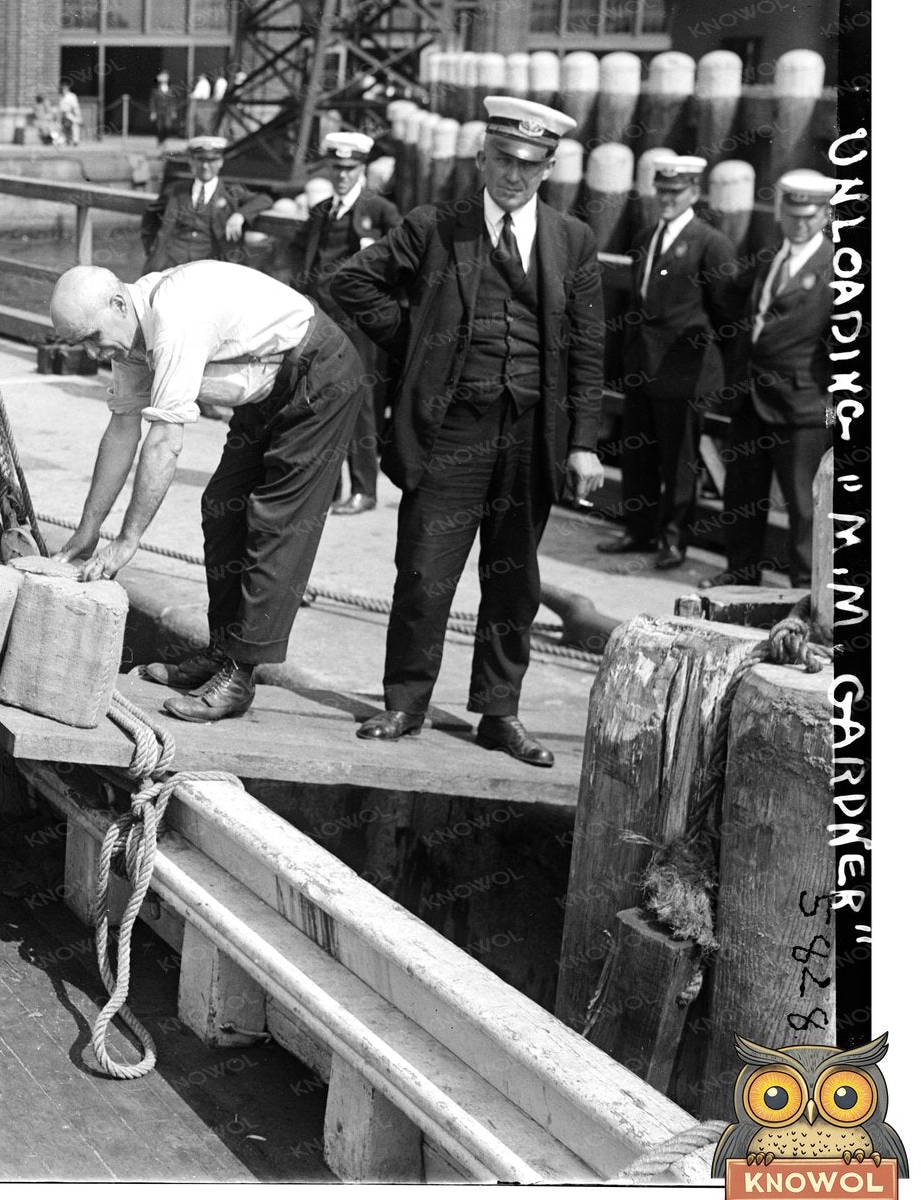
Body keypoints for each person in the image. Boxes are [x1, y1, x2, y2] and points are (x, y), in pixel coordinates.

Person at [329, 95, 606, 768]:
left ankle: (499, 712)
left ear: (548, 169)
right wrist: (416, 342)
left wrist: (584, 442)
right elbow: (350, 282)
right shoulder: (434, 226)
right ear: (484, 157)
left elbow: (589, 345)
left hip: (531, 434)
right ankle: (406, 701)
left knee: (513, 581)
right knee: (424, 573)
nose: (514, 175)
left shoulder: (572, 240)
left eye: (529, 165)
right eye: (504, 159)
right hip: (450, 431)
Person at [49, 260, 365, 723]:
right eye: (84, 344)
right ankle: (220, 653)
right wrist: (89, 529)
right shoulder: (128, 333)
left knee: (275, 521)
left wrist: (129, 540)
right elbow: (122, 430)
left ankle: (239, 675)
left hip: (317, 375)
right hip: (267, 387)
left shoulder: (176, 319)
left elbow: (164, 442)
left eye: (94, 338)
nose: (96, 354)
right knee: (222, 507)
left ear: (119, 303)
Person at [598, 155, 740, 569]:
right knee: (637, 455)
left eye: (675, 192)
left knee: (679, 462)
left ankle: (674, 540)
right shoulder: (646, 236)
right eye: (661, 190)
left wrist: (715, 370)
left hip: (685, 373)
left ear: (694, 192)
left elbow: (728, 314)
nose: (666, 199)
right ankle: (638, 530)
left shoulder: (710, 243)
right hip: (643, 366)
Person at [702, 169, 839, 591]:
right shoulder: (768, 256)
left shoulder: (839, 270)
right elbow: (736, 310)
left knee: (804, 506)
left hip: (802, 406)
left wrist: (832, 409)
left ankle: (805, 589)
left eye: (810, 216)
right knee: (743, 495)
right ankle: (740, 574)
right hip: (750, 398)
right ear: (780, 211)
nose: (801, 224)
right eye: (793, 214)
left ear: (827, 215)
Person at [284, 130, 403, 515]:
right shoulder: (321, 213)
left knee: (362, 402)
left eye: (350, 169)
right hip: (321, 319)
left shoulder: (380, 211)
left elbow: (402, 263)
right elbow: (299, 256)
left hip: (358, 323)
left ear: (363, 170)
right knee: (317, 398)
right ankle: (328, 488)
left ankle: (365, 489)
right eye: (337, 168)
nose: (342, 176)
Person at [142, 136, 272, 276]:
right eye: (200, 160)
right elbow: (151, 215)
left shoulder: (231, 192)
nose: (205, 166)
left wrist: (239, 215)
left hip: (212, 264)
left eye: (211, 160)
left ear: (221, 162)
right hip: (170, 262)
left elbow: (265, 199)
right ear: (191, 161)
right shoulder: (175, 190)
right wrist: (154, 248)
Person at [148, 70, 181, 145]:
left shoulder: (171, 90)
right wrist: (153, 112)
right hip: (159, 111)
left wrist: (173, 111)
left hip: (168, 111)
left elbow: (173, 101)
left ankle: (163, 139)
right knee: (160, 127)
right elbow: (152, 102)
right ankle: (160, 141)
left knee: (167, 126)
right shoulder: (155, 90)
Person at [56, 81, 83, 147]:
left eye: (64, 88)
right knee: (62, 128)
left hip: (70, 114)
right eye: (62, 88)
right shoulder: (60, 97)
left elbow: (75, 107)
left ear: (67, 88)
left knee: (74, 125)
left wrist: (78, 116)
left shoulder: (71, 96)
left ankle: (75, 141)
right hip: (62, 115)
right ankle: (65, 141)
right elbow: (59, 108)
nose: (63, 90)